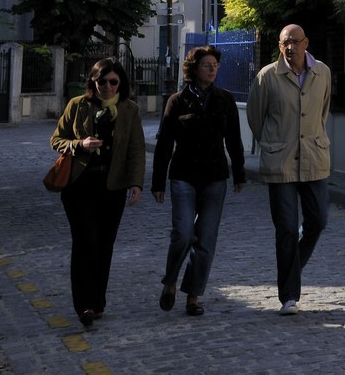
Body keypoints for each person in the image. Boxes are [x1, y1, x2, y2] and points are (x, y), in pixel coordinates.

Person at [50, 57, 145, 328]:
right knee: (85, 244)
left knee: (104, 245)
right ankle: (84, 305)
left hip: (112, 187)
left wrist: (136, 183)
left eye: (113, 82)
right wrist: (80, 144)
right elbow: (56, 139)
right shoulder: (77, 105)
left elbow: (136, 150)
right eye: (101, 81)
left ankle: (98, 301)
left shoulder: (130, 110)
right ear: (93, 81)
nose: (107, 86)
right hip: (79, 186)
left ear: (121, 84)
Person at [151, 45, 245, 317]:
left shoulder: (225, 99)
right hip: (184, 175)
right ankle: (170, 279)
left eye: (215, 64)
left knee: (205, 239)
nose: (212, 69)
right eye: (207, 64)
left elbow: (234, 140)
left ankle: (193, 295)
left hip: (215, 177)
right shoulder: (177, 101)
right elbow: (165, 143)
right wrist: (158, 182)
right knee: (182, 233)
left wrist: (239, 172)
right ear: (194, 69)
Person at [246, 23, 331, 316]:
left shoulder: (322, 72)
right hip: (280, 161)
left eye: (295, 41)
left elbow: (323, 111)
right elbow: (256, 118)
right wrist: (273, 143)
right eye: (285, 42)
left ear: (305, 43)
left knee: (318, 221)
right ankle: (289, 296)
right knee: (285, 229)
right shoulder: (267, 76)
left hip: (314, 159)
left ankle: (291, 266)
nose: (290, 47)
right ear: (279, 46)